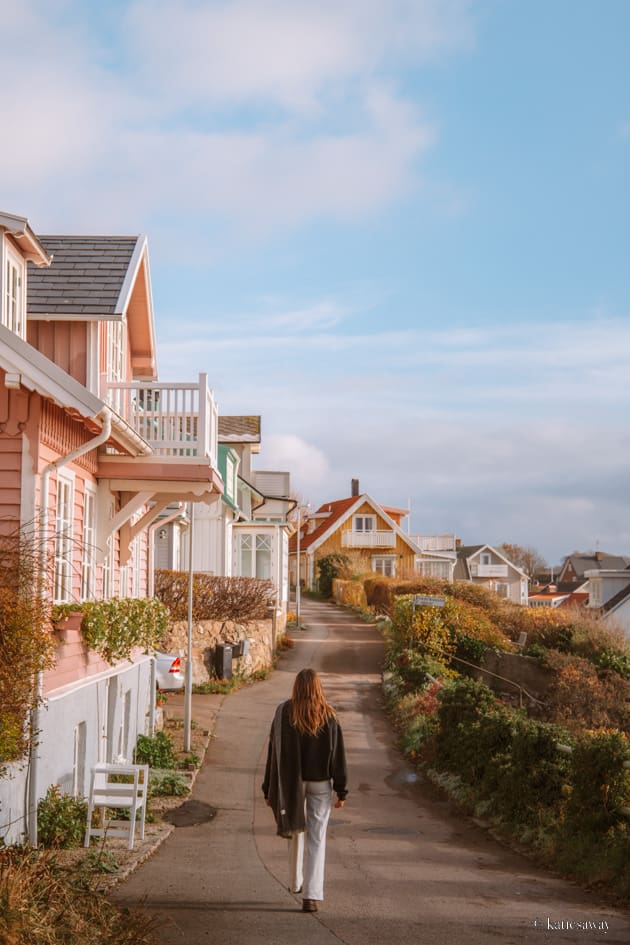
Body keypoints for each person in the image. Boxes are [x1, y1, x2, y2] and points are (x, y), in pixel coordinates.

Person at [262, 668, 348, 913]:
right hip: (321, 784)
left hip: (292, 784)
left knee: (296, 832)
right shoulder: (329, 716)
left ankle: (295, 882)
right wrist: (342, 790)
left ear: (296, 686)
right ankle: (311, 895)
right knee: (317, 839)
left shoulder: (283, 713)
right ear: (318, 687)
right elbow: (338, 756)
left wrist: (269, 788)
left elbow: (273, 753)